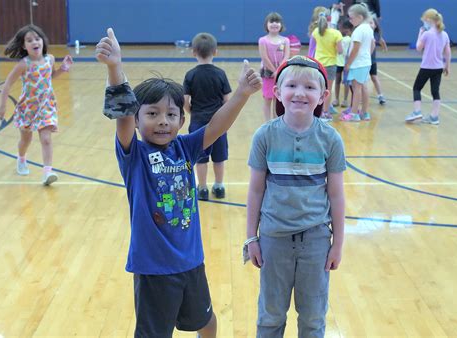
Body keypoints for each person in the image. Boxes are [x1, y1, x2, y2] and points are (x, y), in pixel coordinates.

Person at [95, 28, 261, 338]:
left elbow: (217, 125)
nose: (163, 121)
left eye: (171, 114)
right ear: (138, 118)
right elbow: (122, 115)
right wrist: (115, 67)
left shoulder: (185, 147)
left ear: (181, 121)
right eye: (153, 113)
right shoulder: (135, 154)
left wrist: (241, 93)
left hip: (190, 262)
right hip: (154, 268)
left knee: (208, 323)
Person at [245, 55, 345, 338]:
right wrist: (251, 236)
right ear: (277, 91)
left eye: (310, 88)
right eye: (291, 85)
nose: (300, 93)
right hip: (273, 239)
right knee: (271, 315)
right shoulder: (265, 136)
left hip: (315, 240)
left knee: (313, 317)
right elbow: (255, 190)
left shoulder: (330, 139)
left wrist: (337, 243)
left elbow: (336, 196)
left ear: (323, 95)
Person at [0, 24, 73, 185]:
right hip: (27, 107)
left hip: (46, 105)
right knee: (26, 139)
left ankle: (47, 172)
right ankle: (21, 159)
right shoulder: (24, 64)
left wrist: (63, 69)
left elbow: (51, 76)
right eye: (29, 40)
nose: (34, 42)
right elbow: (7, 84)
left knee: (46, 138)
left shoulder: (49, 59)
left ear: (42, 41)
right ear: (24, 46)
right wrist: (2, 106)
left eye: (37, 38)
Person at [183, 33, 232, 200]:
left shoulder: (190, 75)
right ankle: (219, 187)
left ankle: (202, 189)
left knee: (201, 158)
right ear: (215, 52)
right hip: (218, 124)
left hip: (198, 123)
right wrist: (221, 116)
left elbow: (185, 100)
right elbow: (227, 101)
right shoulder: (220, 74)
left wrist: (192, 112)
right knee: (219, 157)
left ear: (193, 52)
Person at [405, 8, 451, 125]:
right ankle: (434, 117)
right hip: (438, 68)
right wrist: (447, 65)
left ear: (429, 20)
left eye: (424, 20)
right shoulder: (444, 34)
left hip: (426, 67)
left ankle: (417, 111)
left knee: (417, 88)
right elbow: (448, 52)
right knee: (435, 91)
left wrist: (420, 33)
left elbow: (418, 48)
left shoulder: (426, 34)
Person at [341, 4, 374, 122]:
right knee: (363, 87)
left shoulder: (359, 30)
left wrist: (348, 63)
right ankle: (365, 113)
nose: (350, 20)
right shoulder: (368, 28)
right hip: (365, 62)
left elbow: (355, 49)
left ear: (360, 17)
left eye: (351, 18)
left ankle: (354, 113)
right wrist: (367, 57)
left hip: (358, 63)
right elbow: (372, 44)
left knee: (357, 88)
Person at [259, 12, 290, 121]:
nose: (274, 24)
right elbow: (264, 57)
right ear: (266, 25)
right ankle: (268, 122)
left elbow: (286, 56)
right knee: (268, 98)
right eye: (271, 21)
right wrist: (274, 70)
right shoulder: (263, 40)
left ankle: (276, 120)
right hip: (268, 73)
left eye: (277, 22)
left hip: (281, 74)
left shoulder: (285, 40)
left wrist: (279, 71)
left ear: (281, 25)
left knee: (278, 98)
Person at [312, 11, 343, 121]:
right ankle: (325, 112)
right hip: (330, 64)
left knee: (318, 88)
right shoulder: (336, 34)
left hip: (318, 64)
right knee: (327, 90)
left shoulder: (316, 31)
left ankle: (317, 111)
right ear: (331, 19)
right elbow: (340, 51)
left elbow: (314, 46)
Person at [333, 19, 353, 108]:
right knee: (337, 81)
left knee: (346, 83)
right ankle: (336, 99)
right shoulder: (337, 38)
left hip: (346, 63)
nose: (341, 29)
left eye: (342, 28)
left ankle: (345, 100)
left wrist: (348, 63)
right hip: (337, 62)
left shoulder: (350, 39)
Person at [369, 17, 388, 105]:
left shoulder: (376, 34)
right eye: (368, 23)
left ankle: (380, 95)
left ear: (375, 25)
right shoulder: (363, 32)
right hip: (363, 61)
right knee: (361, 81)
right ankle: (359, 96)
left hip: (372, 61)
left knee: (374, 78)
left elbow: (382, 41)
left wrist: (384, 48)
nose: (369, 25)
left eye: (371, 23)